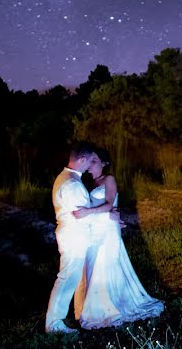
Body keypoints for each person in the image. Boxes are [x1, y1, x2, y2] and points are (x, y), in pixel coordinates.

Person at [72, 147, 164, 329]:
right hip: (96, 231)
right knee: (93, 267)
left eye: (94, 161)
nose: (90, 165)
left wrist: (88, 212)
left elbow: (108, 204)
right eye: (89, 161)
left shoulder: (109, 179)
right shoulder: (92, 183)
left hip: (108, 231)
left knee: (106, 266)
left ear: (104, 163)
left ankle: (111, 306)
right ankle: (93, 305)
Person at [45, 143, 100, 334]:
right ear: (82, 160)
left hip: (72, 235)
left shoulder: (66, 178)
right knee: (67, 278)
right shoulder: (71, 184)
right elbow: (83, 215)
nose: (90, 166)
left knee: (71, 277)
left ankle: (67, 316)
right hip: (73, 237)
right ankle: (54, 323)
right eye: (89, 161)